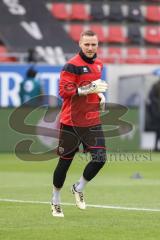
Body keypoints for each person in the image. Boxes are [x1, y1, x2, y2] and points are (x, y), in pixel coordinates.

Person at [51, 30, 108, 217]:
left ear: (97, 45)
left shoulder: (99, 64)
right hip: (71, 122)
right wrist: (87, 89)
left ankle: (78, 187)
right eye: (87, 44)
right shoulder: (71, 65)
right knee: (64, 163)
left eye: (93, 44)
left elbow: (93, 85)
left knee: (100, 158)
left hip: (92, 121)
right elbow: (64, 91)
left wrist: (99, 94)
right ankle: (55, 200)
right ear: (80, 44)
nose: (90, 48)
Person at [145, 79, 160, 151]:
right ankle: (156, 146)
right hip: (157, 112)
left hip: (156, 112)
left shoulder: (155, 85)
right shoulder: (155, 86)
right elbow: (151, 97)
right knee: (158, 130)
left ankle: (156, 146)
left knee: (158, 130)